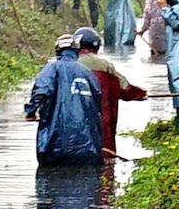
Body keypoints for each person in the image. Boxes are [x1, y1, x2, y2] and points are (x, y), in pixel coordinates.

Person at [26, 23, 143, 162]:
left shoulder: (51, 69)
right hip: (88, 143)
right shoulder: (90, 72)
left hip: (56, 143)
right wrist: (141, 94)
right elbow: (107, 95)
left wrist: (31, 112)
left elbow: (41, 92)